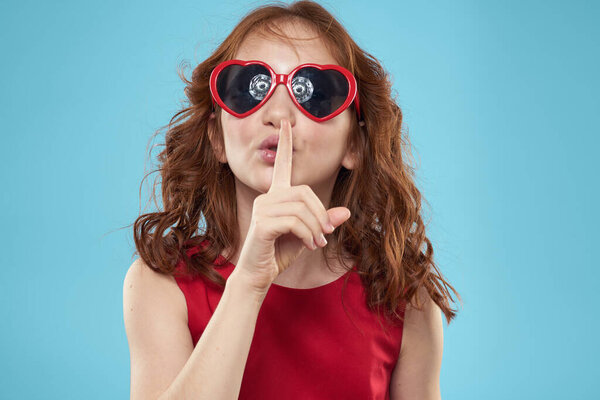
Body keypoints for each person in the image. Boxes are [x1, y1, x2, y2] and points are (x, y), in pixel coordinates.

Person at [123, 1, 461, 399]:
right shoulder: (162, 285)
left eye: (314, 93)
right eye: (250, 88)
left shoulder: (405, 301)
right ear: (217, 139)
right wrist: (248, 284)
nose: (278, 113)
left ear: (354, 143)